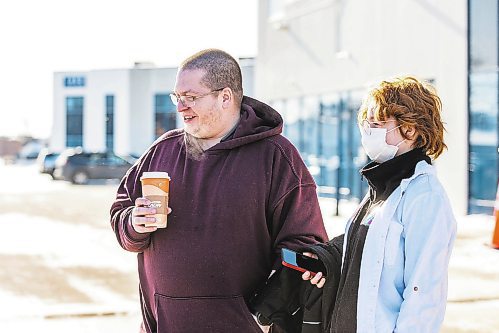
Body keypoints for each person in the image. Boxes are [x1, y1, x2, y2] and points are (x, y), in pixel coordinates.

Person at [110, 49, 328, 333]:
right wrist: (133, 223)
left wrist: (265, 314)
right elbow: (121, 212)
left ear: (225, 97)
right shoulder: (162, 151)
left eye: (191, 97)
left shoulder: (275, 156)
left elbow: (303, 245)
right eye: (177, 97)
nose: (180, 107)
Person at [302, 76, 457, 332]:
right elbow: (363, 255)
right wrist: (324, 259)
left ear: (411, 129)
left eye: (378, 123)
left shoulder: (425, 197)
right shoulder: (382, 188)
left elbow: (424, 293)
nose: (368, 131)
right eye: (367, 123)